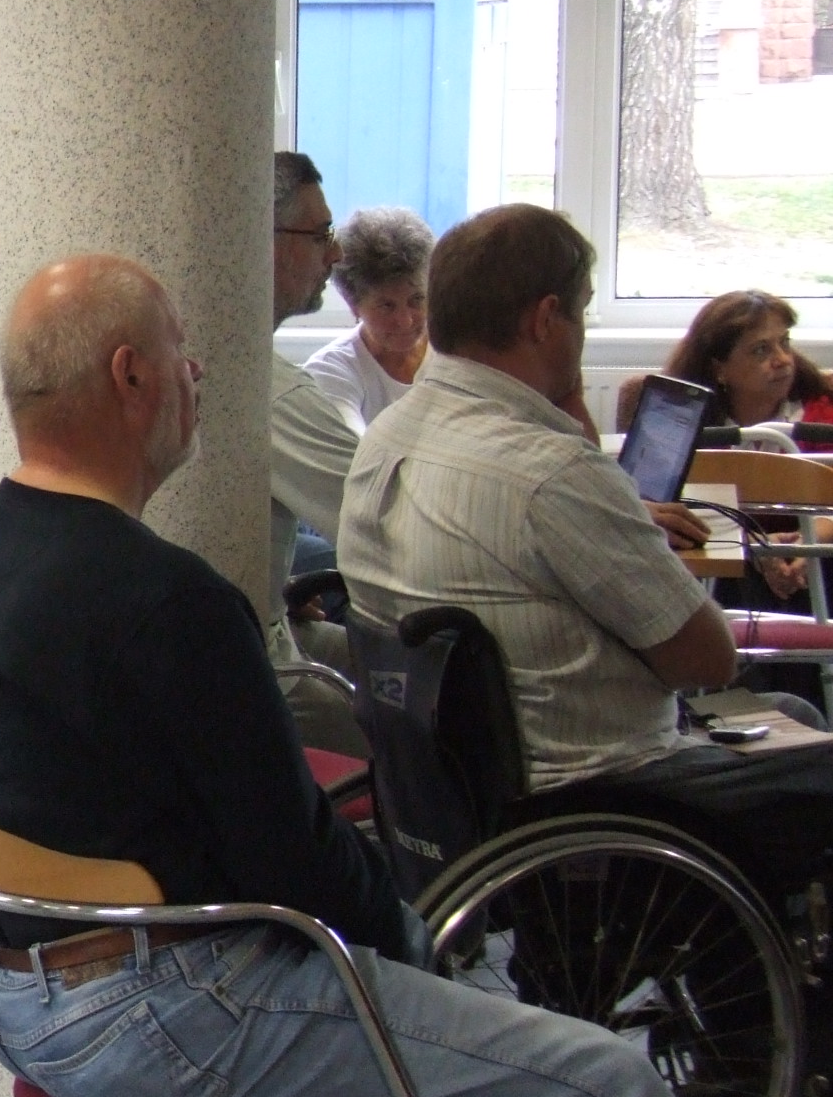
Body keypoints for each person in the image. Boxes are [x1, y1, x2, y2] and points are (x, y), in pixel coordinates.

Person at [0, 251, 832, 1097]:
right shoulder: (169, 603)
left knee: (365, 965)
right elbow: (298, 869)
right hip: (162, 1022)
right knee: (601, 1083)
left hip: (3, 990)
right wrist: (418, 937)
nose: (198, 374)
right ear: (132, 378)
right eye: (183, 352)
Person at [342, 204, 833, 946]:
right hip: (609, 799)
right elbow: (706, 661)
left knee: (793, 720)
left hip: (462, 800)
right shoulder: (551, 475)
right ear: (547, 319)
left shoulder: (389, 436)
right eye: (582, 312)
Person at [267, 152, 366, 753]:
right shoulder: (272, 393)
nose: (335, 254)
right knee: (431, 745)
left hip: (273, 623)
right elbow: (389, 525)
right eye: (321, 234)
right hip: (251, 665)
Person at [616, 288, 833, 440]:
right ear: (719, 368)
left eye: (784, 342)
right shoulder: (682, 424)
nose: (783, 360)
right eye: (760, 350)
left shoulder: (822, 418)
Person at [303, 205, 432, 432]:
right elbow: (353, 450)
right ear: (354, 306)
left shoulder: (456, 352)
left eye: (416, 300)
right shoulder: (331, 370)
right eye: (387, 306)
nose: (405, 321)